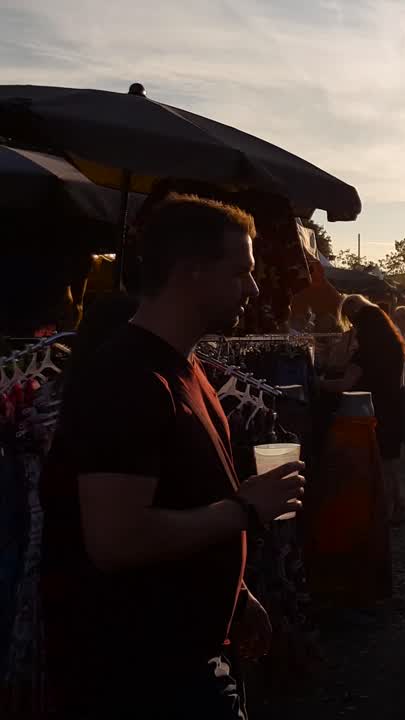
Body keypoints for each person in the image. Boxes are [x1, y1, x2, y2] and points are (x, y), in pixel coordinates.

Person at [40, 195, 305, 719]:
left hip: (191, 658)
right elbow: (117, 539)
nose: (253, 289)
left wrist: (237, 593)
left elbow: (188, 497)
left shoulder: (185, 368)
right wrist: (247, 510)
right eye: (241, 273)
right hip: (139, 677)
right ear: (190, 273)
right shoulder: (127, 378)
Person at [319, 295, 405, 523]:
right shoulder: (394, 343)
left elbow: (344, 385)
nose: (353, 326)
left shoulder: (366, 352)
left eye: (354, 321)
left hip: (372, 410)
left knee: (379, 464)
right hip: (393, 406)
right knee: (390, 463)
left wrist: (316, 383)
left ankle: (384, 516)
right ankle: (397, 508)